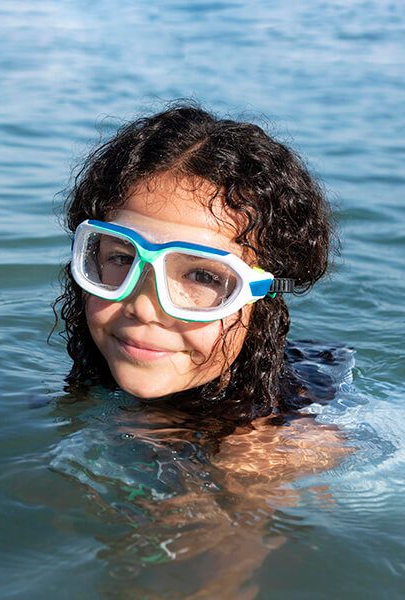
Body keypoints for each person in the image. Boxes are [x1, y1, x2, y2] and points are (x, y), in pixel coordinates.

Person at [52, 103, 350, 597]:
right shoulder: (107, 375)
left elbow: (217, 580)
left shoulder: (257, 456)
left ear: (260, 301)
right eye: (120, 259)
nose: (144, 306)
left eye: (203, 277)